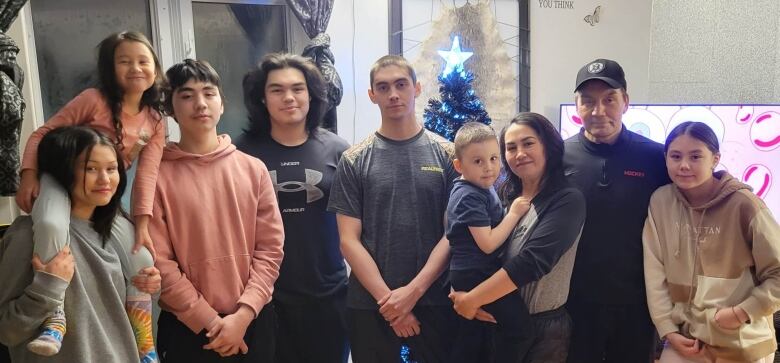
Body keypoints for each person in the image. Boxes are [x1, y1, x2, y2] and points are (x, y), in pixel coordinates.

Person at [13, 31, 165, 360]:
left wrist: (142, 224)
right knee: (52, 224)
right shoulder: (93, 99)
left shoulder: (155, 119)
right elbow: (43, 133)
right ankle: (55, 316)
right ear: (109, 68)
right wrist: (28, 175)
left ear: (156, 68)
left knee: (143, 259)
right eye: (124, 61)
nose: (135, 68)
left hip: (105, 190)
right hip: (62, 177)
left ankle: (145, 341)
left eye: (143, 61)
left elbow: (147, 175)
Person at [149, 59, 284, 362]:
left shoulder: (253, 170)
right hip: (188, 327)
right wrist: (211, 322)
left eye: (209, 93)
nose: (200, 103)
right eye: (186, 95)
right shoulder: (155, 177)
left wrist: (244, 314)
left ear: (222, 104)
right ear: (170, 108)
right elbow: (159, 261)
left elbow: (271, 250)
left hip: (253, 320)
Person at [327, 55, 458, 362]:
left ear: (417, 87)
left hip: (434, 302)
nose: (393, 94)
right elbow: (348, 240)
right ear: (372, 95)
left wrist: (412, 293)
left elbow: (452, 234)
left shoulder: (448, 154)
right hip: (370, 306)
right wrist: (391, 305)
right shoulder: (354, 159)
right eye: (383, 87)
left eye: (401, 85)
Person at [0, 126, 161, 363]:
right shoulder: (27, 236)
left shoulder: (117, 236)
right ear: (63, 172)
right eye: (91, 169)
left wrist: (150, 284)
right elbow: (7, 331)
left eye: (112, 169)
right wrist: (46, 288)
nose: (105, 179)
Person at [237, 52, 350, 363]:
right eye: (277, 90)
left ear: (311, 96)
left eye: (298, 89)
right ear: (262, 98)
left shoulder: (339, 150)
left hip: (328, 297)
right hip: (264, 300)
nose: (289, 97)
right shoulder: (240, 154)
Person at [450, 112, 586, 363]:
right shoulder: (504, 193)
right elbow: (465, 238)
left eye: (528, 143)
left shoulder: (567, 199)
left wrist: (471, 299)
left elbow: (532, 262)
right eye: (511, 148)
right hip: (493, 315)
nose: (519, 153)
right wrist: (461, 289)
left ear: (549, 146)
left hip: (541, 327)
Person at [643, 121, 780, 363]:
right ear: (665, 158)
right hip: (686, 340)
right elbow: (655, 272)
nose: (684, 165)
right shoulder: (661, 202)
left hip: (742, 341)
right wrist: (667, 329)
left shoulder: (745, 205)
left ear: (715, 159)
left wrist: (739, 313)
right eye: (676, 156)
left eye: (696, 156)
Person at [564, 58, 670, 363]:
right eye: (588, 101)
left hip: (637, 303)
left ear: (626, 101)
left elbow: (691, 192)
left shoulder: (654, 156)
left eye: (609, 99)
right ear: (577, 106)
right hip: (576, 303)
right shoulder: (560, 158)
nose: (598, 111)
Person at [446, 121, 535, 363]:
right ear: (458, 165)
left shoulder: (481, 187)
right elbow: (487, 243)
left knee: (477, 337)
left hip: (474, 271)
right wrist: (514, 214)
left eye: (494, 158)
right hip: (476, 273)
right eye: (478, 161)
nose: (489, 168)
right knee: (521, 331)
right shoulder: (469, 195)